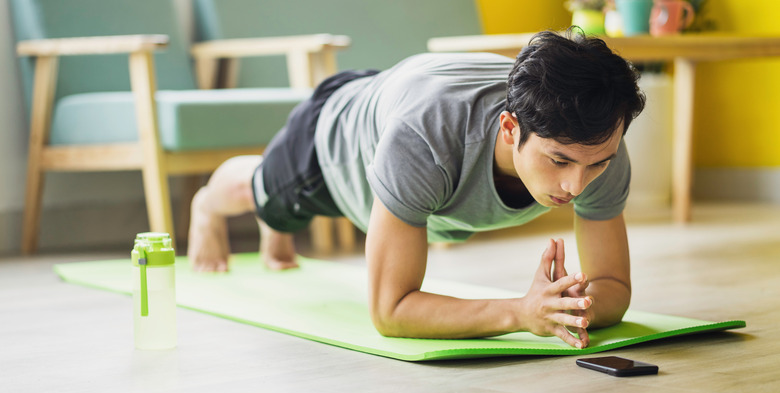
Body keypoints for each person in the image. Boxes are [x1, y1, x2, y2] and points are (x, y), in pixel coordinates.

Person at [187, 29, 646, 349]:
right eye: (558, 161)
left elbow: (614, 287)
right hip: (334, 138)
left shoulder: (597, 142)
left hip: (404, 103)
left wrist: (569, 306)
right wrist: (521, 313)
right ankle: (208, 204)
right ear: (510, 129)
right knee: (264, 193)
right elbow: (391, 311)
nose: (576, 184)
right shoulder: (424, 138)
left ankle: (276, 230)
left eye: (596, 164)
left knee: (280, 220)